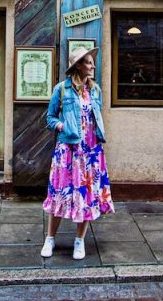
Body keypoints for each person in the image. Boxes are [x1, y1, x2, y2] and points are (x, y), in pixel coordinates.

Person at [41, 46, 114, 260]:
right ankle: (50, 239)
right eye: (89, 62)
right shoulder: (61, 90)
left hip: (91, 152)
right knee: (59, 194)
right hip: (68, 151)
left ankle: (80, 241)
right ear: (78, 65)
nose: (92, 66)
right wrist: (62, 127)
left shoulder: (96, 90)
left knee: (87, 197)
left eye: (92, 62)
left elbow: (95, 118)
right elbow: (50, 118)